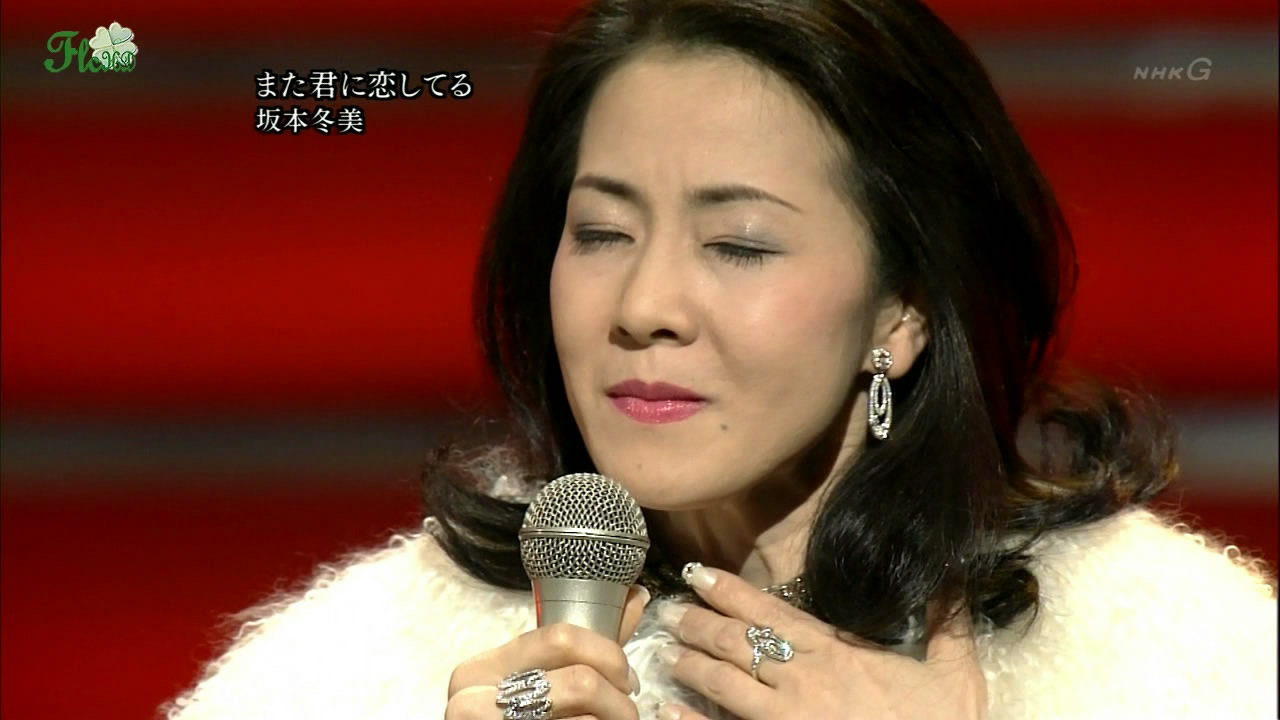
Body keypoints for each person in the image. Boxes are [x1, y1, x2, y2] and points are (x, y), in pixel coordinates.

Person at [160, 1, 1278, 718]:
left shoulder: (1177, 659)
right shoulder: (349, 672)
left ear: (900, 310)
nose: (643, 307)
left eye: (737, 244)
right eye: (601, 233)